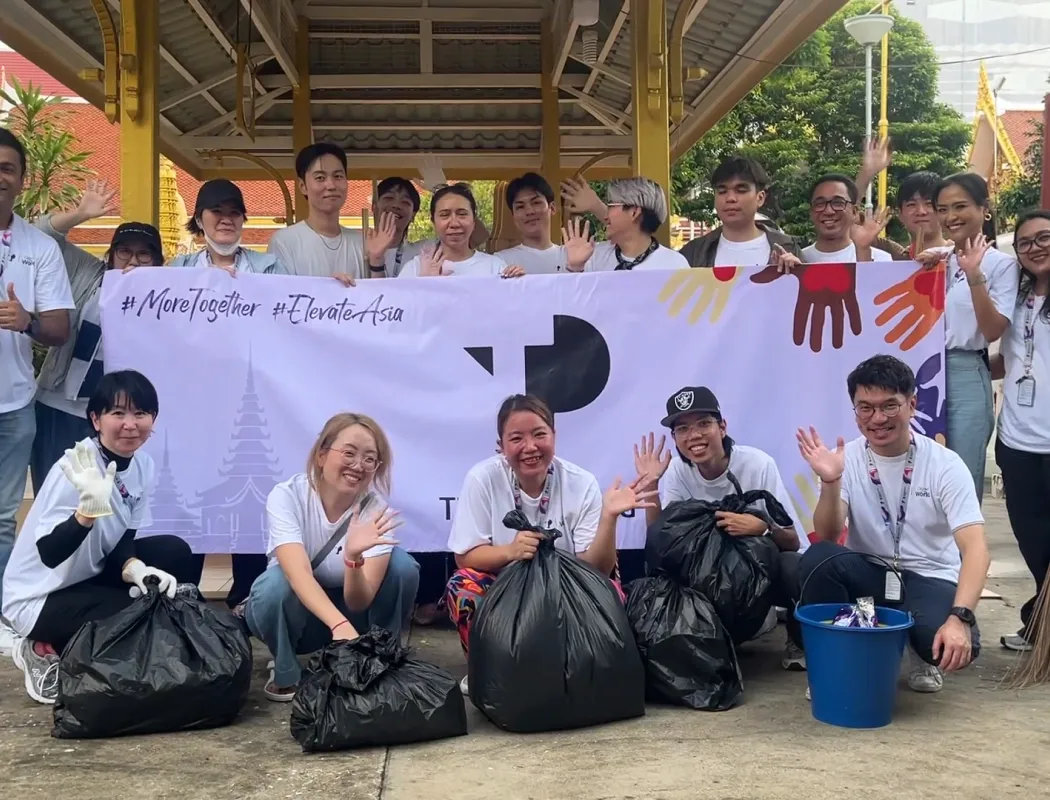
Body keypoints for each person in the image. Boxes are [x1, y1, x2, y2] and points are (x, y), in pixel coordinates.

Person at [2, 370, 200, 704]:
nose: (130, 424)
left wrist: (136, 569)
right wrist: (86, 514)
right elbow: (50, 553)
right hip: (40, 598)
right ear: (96, 419)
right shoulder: (76, 467)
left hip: (88, 577)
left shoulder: (142, 466)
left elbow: (124, 538)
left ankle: (85, 637)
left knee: (174, 553)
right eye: (117, 413)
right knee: (147, 615)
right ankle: (37, 647)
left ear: (153, 419)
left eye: (140, 413)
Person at [797, 355, 989, 694]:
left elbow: (976, 549)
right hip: (870, 574)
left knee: (953, 647)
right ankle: (840, 662)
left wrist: (960, 618)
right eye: (866, 408)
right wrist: (831, 481)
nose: (878, 418)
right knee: (818, 559)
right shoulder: (846, 459)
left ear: (911, 405)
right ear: (855, 411)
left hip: (928, 577)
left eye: (889, 406)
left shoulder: (945, 465)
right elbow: (827, 536)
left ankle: (917, 647)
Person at [445, 394, 654, 692]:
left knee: (613, 592)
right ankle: (488, 671)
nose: (530, 447)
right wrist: (511, 552)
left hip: (568, 593)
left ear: (554, 436)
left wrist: (609, 518)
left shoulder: (581, 482)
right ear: (501, 445)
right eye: (516, 438)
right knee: (463, 587)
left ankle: (579, 671)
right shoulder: (482, 479)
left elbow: (597, 570)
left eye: (539, 434)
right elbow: (465, 557)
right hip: (506, 596)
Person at [245, 412, 421, 701]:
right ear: (322, 455)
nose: (358, 465)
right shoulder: (287, 496)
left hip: (352, 619)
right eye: (349, 453)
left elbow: (358, 602)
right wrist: (339, 627)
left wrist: (353, 558)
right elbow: (297, 573)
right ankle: (286, 669)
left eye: (369, 458)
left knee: (402, 566)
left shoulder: (375, 510)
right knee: (272, 586)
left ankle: (381, 658)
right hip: (303, 621)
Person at [632, 386, 808, 669]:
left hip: (755, 578)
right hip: (711, 581)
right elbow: (660, 539)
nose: (694, 435)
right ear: (675, 438)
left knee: (793, 566)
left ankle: (798, 639)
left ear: (722, 427)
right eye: (683, 429)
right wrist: (651, 484)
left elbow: (793, 541)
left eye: (704, 424)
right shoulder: (677, 470)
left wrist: (762, 527)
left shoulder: (758, 464)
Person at [33, 179, 164, 492]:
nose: (133, 261)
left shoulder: (168, 297)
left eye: (144, 255)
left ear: (159, 262)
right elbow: (38, 237)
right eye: (124, 251)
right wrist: (80, 214)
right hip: (62, 407)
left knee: (109, 502)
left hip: (121, 418)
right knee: (55, 496)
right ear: (111, 255)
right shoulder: (88, 273)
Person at [0, 128, 75, 654]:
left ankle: (6, 614)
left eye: (7, 168)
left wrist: (26, 320)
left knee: (3, 520)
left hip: (13, 403)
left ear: (23, 179)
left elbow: (59, 328)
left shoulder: (38, 247)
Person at [930, 173, 1018, 501]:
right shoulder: (936, 261)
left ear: (984, 209)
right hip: (923, 371)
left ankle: (966, 538)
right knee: (925, 475)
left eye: (960, 206)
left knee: (961, 479)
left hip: (965, 371)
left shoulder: (1001, 266)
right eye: (942, 209)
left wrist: (974, 275)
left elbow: (993, 330)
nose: (950, 216)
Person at [991, 210, 1050, 652]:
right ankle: (1041, 619)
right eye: (1025, 242)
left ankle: (1039, 622)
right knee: (1033, 541)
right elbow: (1007, 360)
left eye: (1043, 237)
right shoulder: (1015, 297)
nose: (1034, 248)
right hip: (1016, 441)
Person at [678, 156, 801, 268]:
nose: (730, 198)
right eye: (722, 191)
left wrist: (799, 273)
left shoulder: (788, 248)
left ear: (760, 198)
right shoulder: (693, 254)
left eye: (741, 190)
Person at [268, 143, 365, 280]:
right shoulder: (285, 242)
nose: (331, 185)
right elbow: (279, 291)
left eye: (338, 176)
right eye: (320, 178)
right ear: (303, 186)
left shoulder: (361, 243)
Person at [561, 177, 689, 272]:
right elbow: (574, 298)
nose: (605, 216)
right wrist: (575, 268)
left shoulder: (674, 265)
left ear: (634, 212)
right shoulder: (592, 257)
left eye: (610, 205)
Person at [397, 183, 524, 278]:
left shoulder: (495, 267)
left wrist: (518, 284)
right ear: (433, 221)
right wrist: (424, 284)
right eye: (444, 215)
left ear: (474, 221)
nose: (454, 223)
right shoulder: (414, 268)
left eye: (462, 214)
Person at [169, 179, 288, 275]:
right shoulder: (178, 269)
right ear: (198, 219)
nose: (226, 220)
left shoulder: (270, 268)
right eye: (217, 211)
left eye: (234, 212)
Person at [801, 174, 893, 264]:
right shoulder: (799, 260)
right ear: (811, 212)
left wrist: (863, 251)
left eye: (838, 203)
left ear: (854, 211)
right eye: (820, 204)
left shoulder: (881, 260)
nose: (829, 211)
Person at [494, 172, 566, 274]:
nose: (529, 211)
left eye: (536, 203)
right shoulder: (500, 261)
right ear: (513, 215)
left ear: (552, 208)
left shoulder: (571, 256)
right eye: (520, 207)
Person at [363, 176, 427, 278]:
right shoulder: (357, 247)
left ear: (413, 215)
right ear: (374, 207)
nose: (396, 205)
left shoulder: (422, 252)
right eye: (389, 198)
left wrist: (439, 189)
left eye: (405, 202)